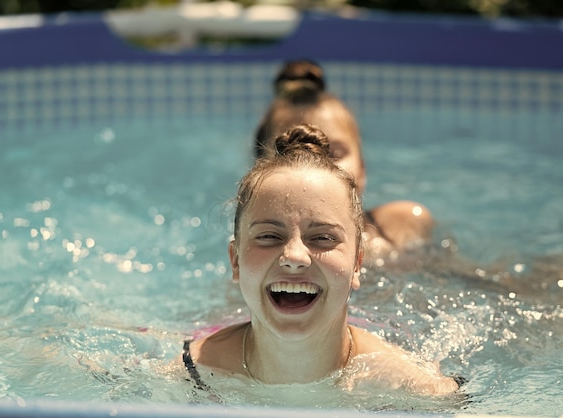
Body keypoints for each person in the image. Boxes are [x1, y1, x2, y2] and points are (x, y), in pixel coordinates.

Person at [182, 124, 461, 397]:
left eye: (323, 238)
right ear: (236, 261)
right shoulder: (191, 373)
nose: (294, 256)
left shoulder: (412, 387)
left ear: (357, 263)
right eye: (269, 236)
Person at [253, 60, 434, 261]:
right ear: (260, 176)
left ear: (362, 169)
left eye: (335, 153)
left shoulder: (398, 225)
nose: (319, 168)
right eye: (294, 153)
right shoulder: (258, 252)